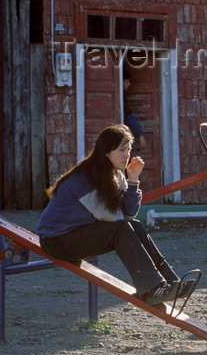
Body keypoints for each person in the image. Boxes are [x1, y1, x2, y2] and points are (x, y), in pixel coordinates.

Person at [36, 124, 197, 305]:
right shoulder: (87, 177)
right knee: (121, 229)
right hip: (56, 241)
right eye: (121, 150)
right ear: (106, 152)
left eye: (128, 149)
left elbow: (128, 216)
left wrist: (133, 180)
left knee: (135, 225)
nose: (127, 155)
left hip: (76, 234)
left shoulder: (115, 174)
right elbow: (115, 219)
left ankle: (170, 281)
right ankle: (153, 289)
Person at [123, 70, 148, 151]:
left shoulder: (122, 96)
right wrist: (140, 136)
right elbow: (128, 118)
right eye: (126, 81)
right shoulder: (121, 97)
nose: (129, 84)